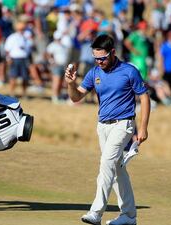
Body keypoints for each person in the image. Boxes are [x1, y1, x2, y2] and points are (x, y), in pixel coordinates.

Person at [65, 34, 151, 225]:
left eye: (103, 58)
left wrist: (143, 128)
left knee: (106, 164)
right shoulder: (94, 72)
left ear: (113, 53)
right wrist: (70, 84)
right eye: (96, 58)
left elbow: (144, 98)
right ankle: (129, 216)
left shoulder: (129, 71)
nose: (99, 61)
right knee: (117, 170)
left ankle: (96, 213)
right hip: (103, 126)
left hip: (124, 124)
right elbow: (76, 97)